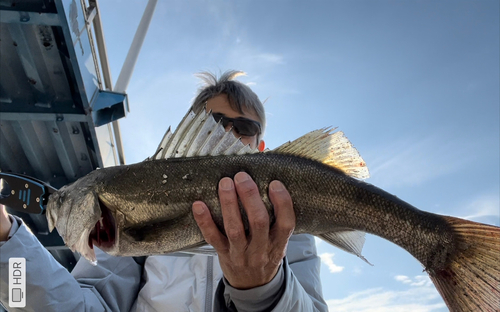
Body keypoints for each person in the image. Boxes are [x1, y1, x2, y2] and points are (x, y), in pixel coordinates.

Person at [0, 70, 327, 311]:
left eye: (243, 128)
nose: (227, 133)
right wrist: (7, 247)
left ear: (261, 145)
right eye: (213, 123)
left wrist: (266, 289)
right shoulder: (128, 209)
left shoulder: (290, 228)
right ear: (192, 134)